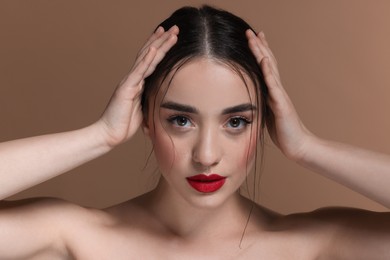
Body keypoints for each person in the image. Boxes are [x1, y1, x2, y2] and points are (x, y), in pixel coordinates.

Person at [1, 5, 390, 259]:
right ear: (146, 120)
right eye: (181, 120)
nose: (206, 154)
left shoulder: (313, 246)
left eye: (236, 122)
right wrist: (101, 135)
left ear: (266, 122)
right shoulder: (78, 240)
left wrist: (307, 147)